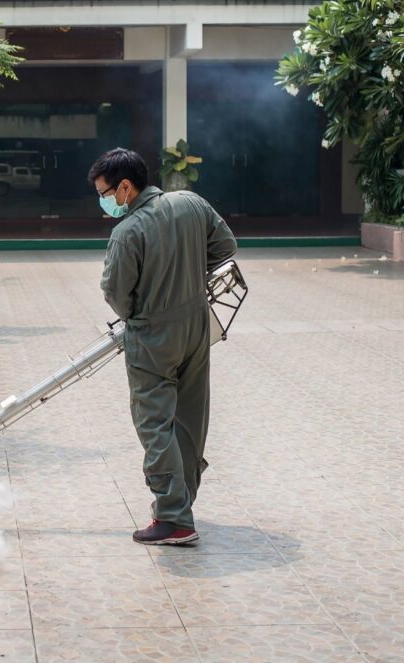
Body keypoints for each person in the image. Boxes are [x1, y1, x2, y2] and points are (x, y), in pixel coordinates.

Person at [88, 148, 237, 545]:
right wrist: (189, 276)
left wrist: (143, 310)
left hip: (153, 336)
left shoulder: (127, 232)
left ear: (125, 186)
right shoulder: (191, 203)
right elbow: (226, 248)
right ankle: (182, 501)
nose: (104, 202)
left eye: (106, 193)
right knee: (189, 417)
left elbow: (116, 294)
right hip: (196, 326)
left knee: (155, 422)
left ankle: (173, 517)